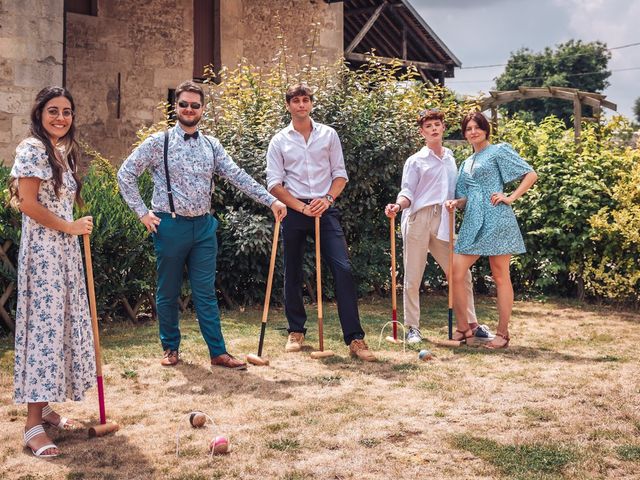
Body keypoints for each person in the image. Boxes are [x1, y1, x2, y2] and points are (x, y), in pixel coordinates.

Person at [118, 80, 287, 370]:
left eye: (195, 105)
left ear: (202, 109)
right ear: (176, 106)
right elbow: (125, 174)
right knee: (168, 290)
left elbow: (237, 175)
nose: (188, 109)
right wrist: (142, 213)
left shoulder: (212, 144)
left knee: (206, 291)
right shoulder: (158, 142)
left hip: (204, 227)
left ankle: (218, 352)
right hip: (170, 225)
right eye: (183, 104)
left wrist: (270, 200)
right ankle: (170, 348)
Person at [9, 86, 96, 458]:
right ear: (39, 114)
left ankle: (44, 409)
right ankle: (32, 426)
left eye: (67, 112)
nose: (61, 118)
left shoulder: (61, 151)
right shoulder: (31, 149)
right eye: (53, 111)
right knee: (44, 330)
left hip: (63, 254)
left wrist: (73, 229)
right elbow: (28, 203)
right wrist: (70, 227)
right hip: (44, 254)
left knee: (60, 325)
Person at [266, 83, 376, 362]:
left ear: (311, 104)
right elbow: (274, 184)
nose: (301, 105)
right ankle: (296, 331)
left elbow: (340, 175)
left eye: (305, 100)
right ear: (288, 105)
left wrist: (326, 199)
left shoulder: (329, 135)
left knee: (343, 268)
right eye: (296, 101)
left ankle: (355, 338)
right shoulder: (279, 140)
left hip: (324, 208)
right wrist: (301, 207)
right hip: (295, 209)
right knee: (292, 270)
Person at [384, 109, 493, 344]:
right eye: (428, 126)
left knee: (460, 273)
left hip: (444, 219)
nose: (433, 129)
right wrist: (398, 206)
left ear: (443, 128)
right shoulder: (415, 161)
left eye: (437, 124)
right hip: (418, 219)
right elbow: (408, 192)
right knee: (413, 276)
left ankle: (473, 325)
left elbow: (456, 189)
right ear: (422, 132)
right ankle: (413, 327)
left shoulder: (451, 158)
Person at [445, 111, 538, 349]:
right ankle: (464, 328)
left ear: (485, 129)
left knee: (500, 275)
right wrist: (457, 203)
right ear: (464, 134)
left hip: (496, 216)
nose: (473, 132)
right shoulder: (466, 162)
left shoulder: (498, 151)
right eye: (468, 129)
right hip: (473, 221)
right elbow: (465, 196)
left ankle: (503, 334)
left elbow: (530, 174)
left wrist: (511, 197)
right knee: (455, 271)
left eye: (477, 127)